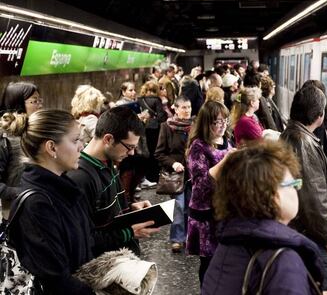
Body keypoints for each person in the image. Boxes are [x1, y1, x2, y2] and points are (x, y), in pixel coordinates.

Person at [202, 140, 325, 295]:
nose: (296, 191)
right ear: (272, 194)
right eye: (293, 184)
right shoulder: (283, 261)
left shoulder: (229, 244)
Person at [8, 109, 93, 294]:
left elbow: (84, 242)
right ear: (52, 148)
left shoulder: (64, 188)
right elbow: (56, 280)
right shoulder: (38, 205)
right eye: (75, 140)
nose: (82, 145)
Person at [67, 107, 160, 257]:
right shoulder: (80, 179)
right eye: (129, 147)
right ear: (108, 139)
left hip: (123, 262)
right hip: (104, 269)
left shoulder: (108, 161)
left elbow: (105, 214)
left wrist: (130, 210)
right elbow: (83, 239)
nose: (131, 153)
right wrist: (129, 233)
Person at [280, 84, 327, 292]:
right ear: (319, 115)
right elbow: (315, 199)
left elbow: (296, 184)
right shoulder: (304, 143)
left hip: (297, 230)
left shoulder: (289, 134)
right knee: (324, 288)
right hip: (311, 235)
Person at [186, 101, 234, 286]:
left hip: (223, 210)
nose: (222, 126)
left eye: (225, 121)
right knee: (208, 263)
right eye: (217, 122)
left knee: (222, 261)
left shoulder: (225, 140)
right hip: (205, 213)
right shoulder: (198, 147)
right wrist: (226, 161)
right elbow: (201, 184)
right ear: (206, 123)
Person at [0, 82, 42, 227]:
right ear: (18, 103)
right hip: (15, 215)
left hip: (37, 211)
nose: (39, 105)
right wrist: (22, 192)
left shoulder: (35, 134)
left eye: (39, 100)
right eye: (34, 101)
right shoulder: (5, 140)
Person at [155, 95, 193, 253]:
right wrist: (173, 163)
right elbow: (159, 153)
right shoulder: (167, 127)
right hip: (176, 176)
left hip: (193, 174)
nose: (187, 111)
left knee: (191, 207)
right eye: (183, 107)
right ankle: (177, 238)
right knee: (179, 206)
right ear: (175, 109)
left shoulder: (195, 126)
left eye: (189, 107)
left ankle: (190, 237)